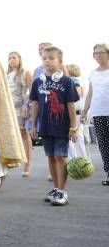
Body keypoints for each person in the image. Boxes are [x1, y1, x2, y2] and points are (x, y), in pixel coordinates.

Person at [29, 46, 78, 206]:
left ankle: (62, 192)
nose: (47, 61)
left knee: (61, 157)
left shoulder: (66, 81)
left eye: (51, 58)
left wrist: (73, 127)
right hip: (45, 126)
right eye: (44, 58)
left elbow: (71, 105)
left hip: (62, 126)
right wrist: (34, 125)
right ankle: (56, 189)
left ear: (60, 62)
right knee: (50, 157)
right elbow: (35, 104)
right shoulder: (38, 82)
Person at [82, 43, 109, 185]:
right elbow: (90, 93)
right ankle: (108, 173)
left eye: (101, 52)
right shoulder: (93, 73)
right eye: (96, 53)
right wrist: (85, 111)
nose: (98, 55)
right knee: (103, 144)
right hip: (98, 112)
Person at [7, 51, 33, 176]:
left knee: (24, 134)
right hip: (8, 108)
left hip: (20, 107)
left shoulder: (25, 73)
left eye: (14, 57)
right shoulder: (6, 74)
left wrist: (26, 106)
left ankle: (27, 163)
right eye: (9, 58)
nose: (12, 60)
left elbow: (31, 91)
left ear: (19, 59)